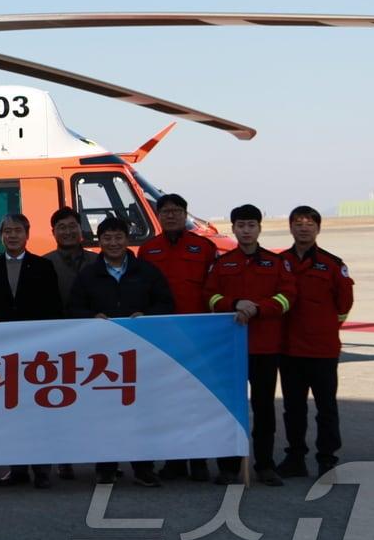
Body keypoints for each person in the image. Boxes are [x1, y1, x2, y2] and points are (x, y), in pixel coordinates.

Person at [68, 216, 175, 487]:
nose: (113, 243)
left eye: (118, 237)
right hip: (103, 358)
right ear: (99, 241)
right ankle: (106, 467)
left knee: (142, 411)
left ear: (127, 239)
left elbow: (166, 303)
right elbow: (73, 308)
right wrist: (91, 316)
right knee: (106, 413)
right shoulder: (88, 275)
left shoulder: (147, 272)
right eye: (107, 238)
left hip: (141, 354)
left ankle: (143, 467)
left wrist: (147, 316)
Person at [204, 204, 296, 487]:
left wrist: (258, 309)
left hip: (264, 347)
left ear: (259, 228)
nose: (246, 230)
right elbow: (209, 296)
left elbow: (287, 297)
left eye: (251, 225)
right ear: (233, 228)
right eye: (241, 225)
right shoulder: (222, 263)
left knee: (264, 408)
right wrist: (233, 305)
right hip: (230, 348)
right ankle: (229, 467)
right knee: (230, 408)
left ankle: (265, 465)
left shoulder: (276, 263)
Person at [136, 193, 219, 482]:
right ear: (157, 216)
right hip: (163, 338)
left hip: (197, 336)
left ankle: (198, 461)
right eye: (165, 211)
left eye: (176, 211)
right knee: (167, 402)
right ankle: (174, 460)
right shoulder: (148, 251)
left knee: (196, 401)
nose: (171, 215)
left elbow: (215, 289)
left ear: (185, 214)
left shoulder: (205, 248)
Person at [0, 213, 63, 489]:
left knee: (39, 410)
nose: (12, 236)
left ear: (27, 235)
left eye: (17, 231)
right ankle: (17, 469)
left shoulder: (43, 266)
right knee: (11, 411)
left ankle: (42, 469)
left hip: (37, 352)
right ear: (0, 235)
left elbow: (53, 309)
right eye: (7, 231)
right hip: (3, 352)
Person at [278, 205, 352, 480]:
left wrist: (327, 327)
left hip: (322, 350)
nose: (303, 227)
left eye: (309, 223)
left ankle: (327, 460)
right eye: (298, 222)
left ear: (318, 228)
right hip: (289, 349)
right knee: (293, 408)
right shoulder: (280, 262)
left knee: (326, 408)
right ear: (290, 227)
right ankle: (295, 457)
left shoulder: (332, 264)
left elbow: (344, 304)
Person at [43, 206, 97, 482]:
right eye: (61, 227)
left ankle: (103, 459)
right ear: (53, 232)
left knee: (96, 403)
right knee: (59, 404)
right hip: (57, 345)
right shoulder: (43, 263)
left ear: (81, 230)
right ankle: (64, 459)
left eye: (72, 226)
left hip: (93, 344)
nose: (67, 231)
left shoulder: (97, 262)